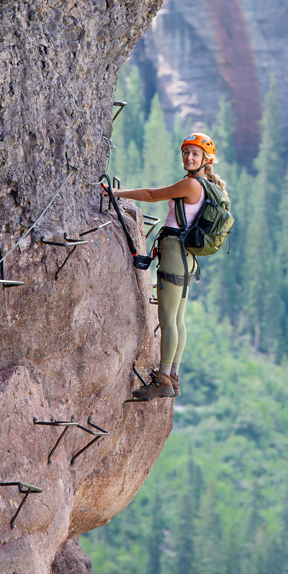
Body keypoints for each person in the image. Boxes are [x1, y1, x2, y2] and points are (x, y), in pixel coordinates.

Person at [110, 132, 227, 401]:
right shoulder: (208, 186)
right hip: (186, 256)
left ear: (205, 159)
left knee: (167, 319)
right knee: (177, 319)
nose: (188, 157)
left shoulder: (191, 185)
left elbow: (151, 194)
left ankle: (163, 377)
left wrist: (116, 192)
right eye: (186, 152)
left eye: (194, 153)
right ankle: (172, 375)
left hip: (175, 251)